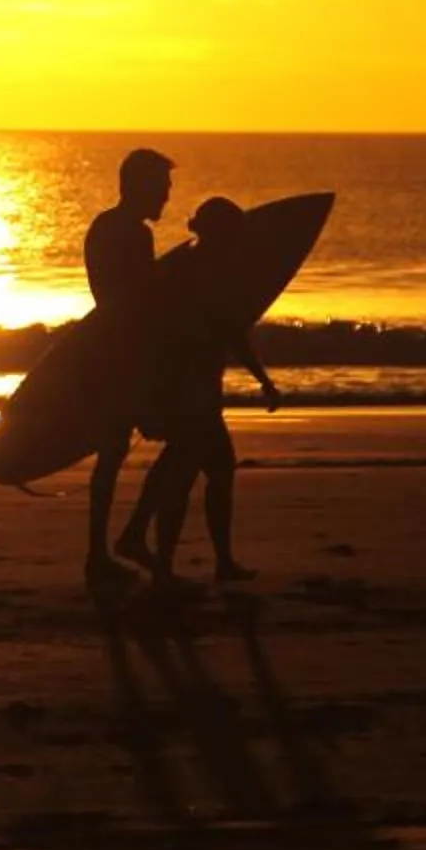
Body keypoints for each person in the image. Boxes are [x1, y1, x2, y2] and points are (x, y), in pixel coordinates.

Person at [117, 195, 280, 585]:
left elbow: (224, 332)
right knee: (192, 473)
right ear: (219, 234)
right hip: (187, 392)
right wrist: (262, 380)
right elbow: (220, 331)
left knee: (194, 468)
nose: (237, 243)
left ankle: (149, 541)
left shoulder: (191, 268)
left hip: (194, 389)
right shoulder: (201, 274)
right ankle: (167, 565)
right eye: (233, 234)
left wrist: (262, 379)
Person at [82, 147, 172, 582]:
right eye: (162, 187)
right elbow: (142, 303)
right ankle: (127, 540)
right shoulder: (133, 234)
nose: (167, 196)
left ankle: (101, 553)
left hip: (107, 353)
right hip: (126, 358)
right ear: (140, 186)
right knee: (188, 441)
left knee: (112, 454)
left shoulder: (103, 226)